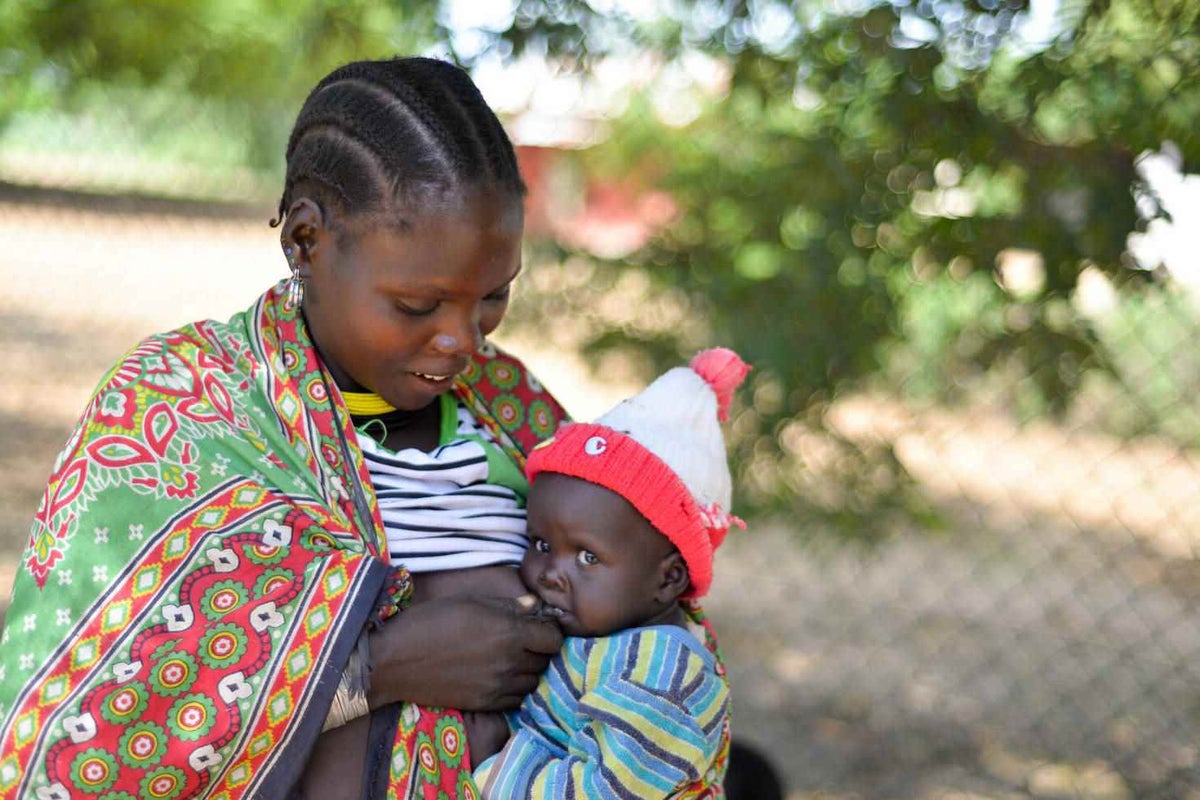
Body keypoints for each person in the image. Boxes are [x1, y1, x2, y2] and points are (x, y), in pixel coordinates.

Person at [0, 57, 573, 799]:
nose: (464, 340)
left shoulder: (512, 407)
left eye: (494, 296)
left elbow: (647, 600)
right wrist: (380, 666)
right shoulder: (183, 405)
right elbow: (73, 745)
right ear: (305, 239)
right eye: (416, 305)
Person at [472, 348, 750, 798]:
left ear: (669, 579)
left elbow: (603, 792)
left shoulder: (661, 677)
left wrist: (496, 761)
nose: (552, 574)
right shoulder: (607, 639)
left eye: (586, 558)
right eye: (542, 545)